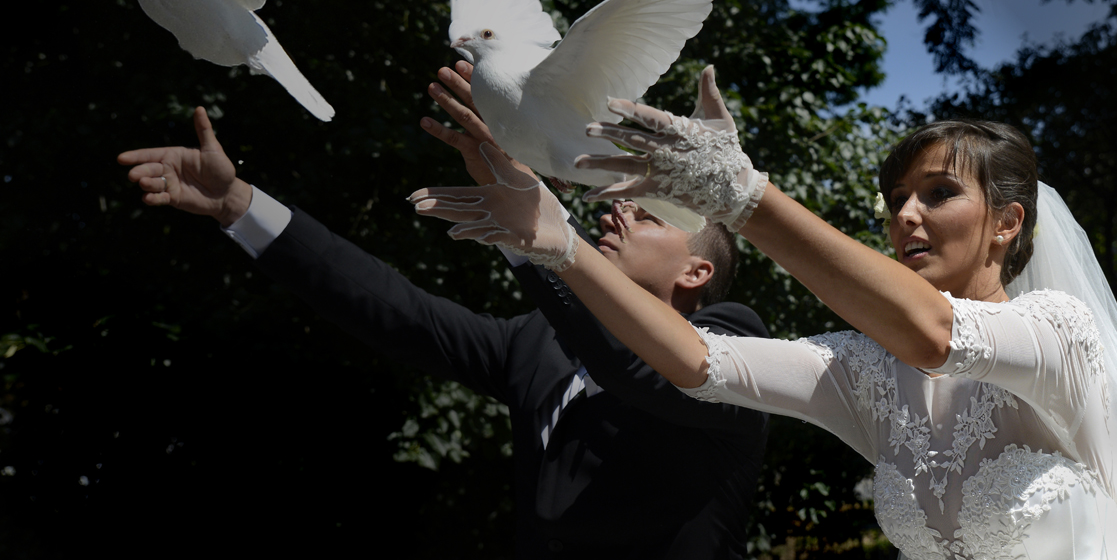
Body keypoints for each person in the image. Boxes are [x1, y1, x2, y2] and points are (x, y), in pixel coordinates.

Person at [413, 65, 1117, 559]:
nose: (907, 217)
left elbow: (933, 331)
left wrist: (742, 197)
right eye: (896, 201)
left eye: (939, 193)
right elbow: (696, 360)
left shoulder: (1059, 332)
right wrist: (558, 244)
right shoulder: (865, 371)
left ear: (1008, 221)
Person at [117, 64, 770, 560]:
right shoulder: (534, 343)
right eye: (619, 203)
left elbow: (639, 368)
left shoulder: (735, 342)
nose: (616, 209)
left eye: (648, 213)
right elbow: (393, 309)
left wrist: (543, 243)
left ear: (696, 271)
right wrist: (240, 205)